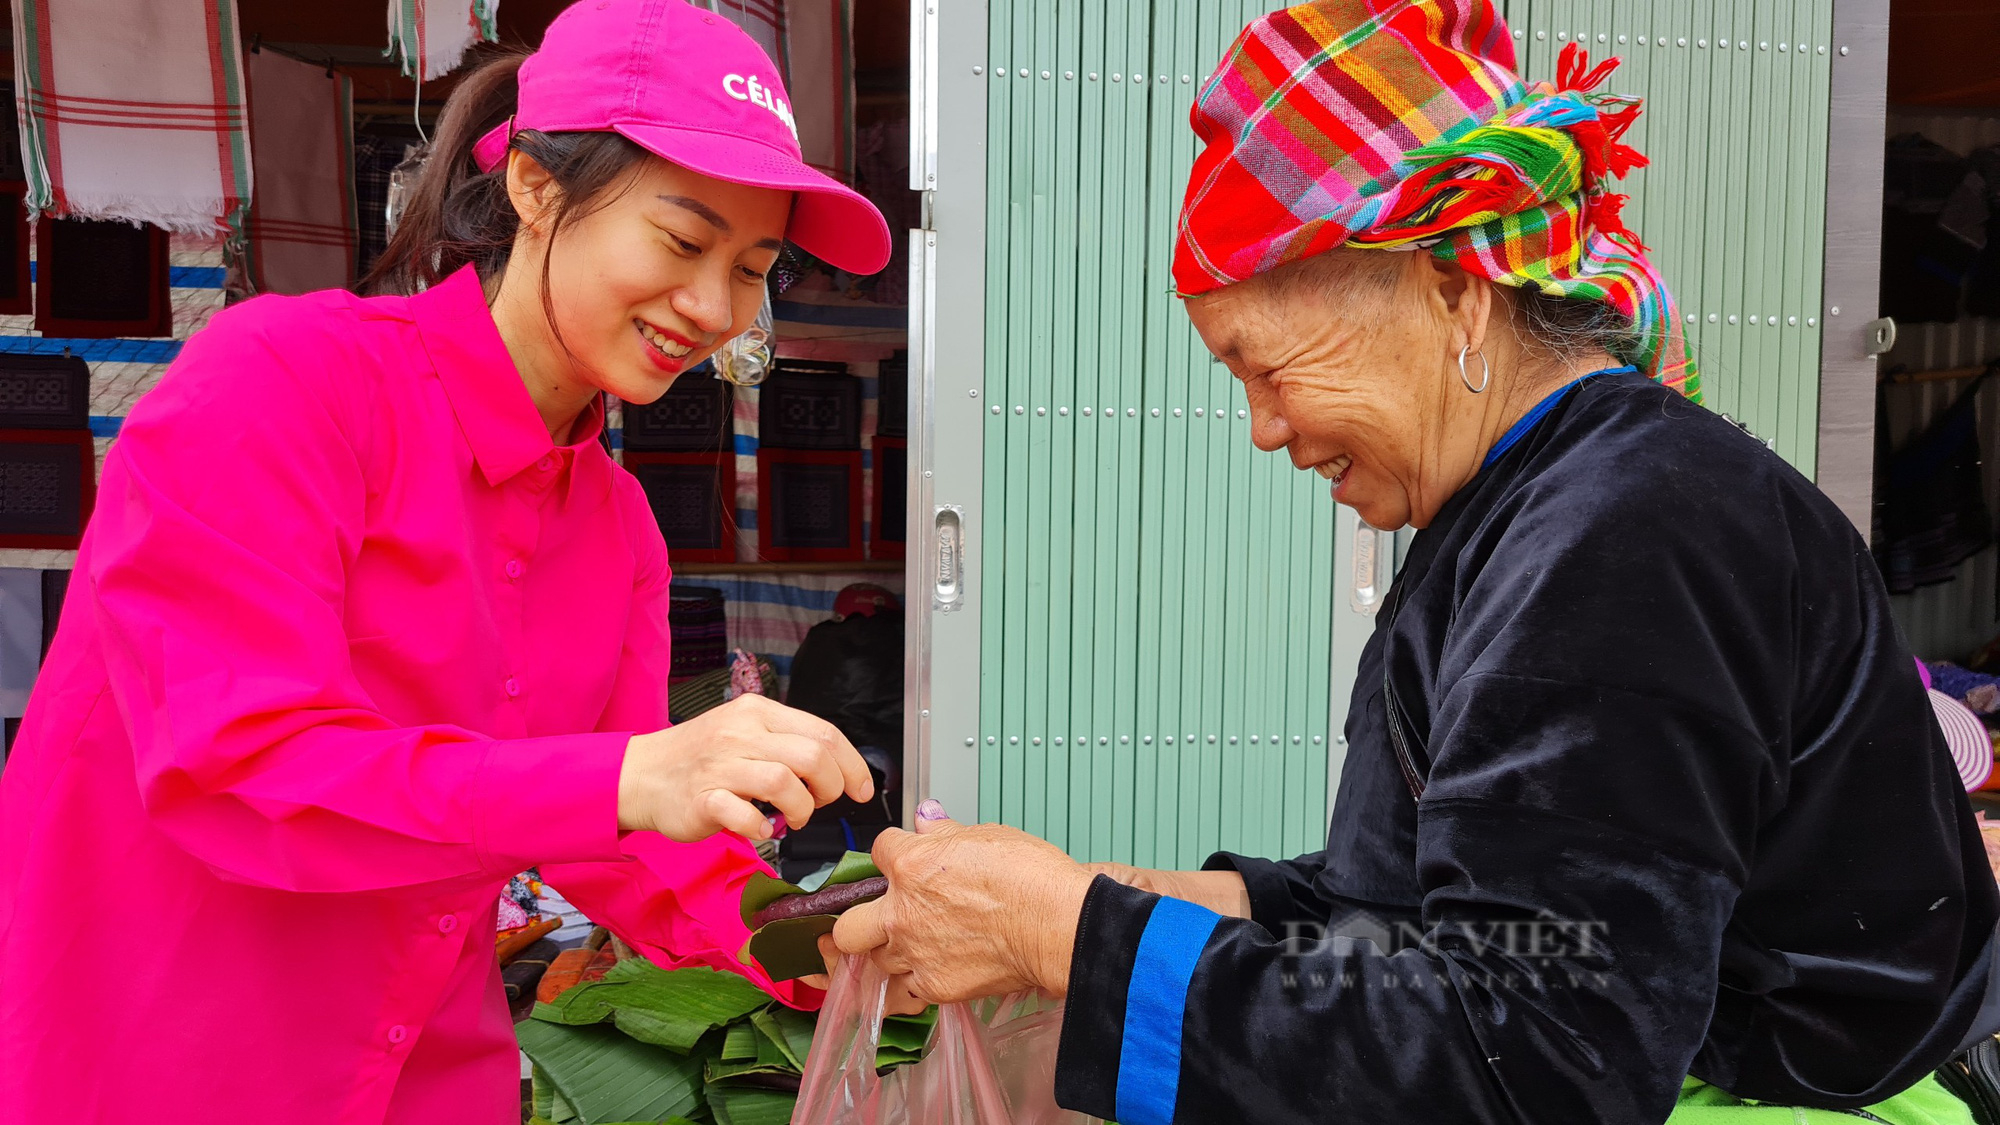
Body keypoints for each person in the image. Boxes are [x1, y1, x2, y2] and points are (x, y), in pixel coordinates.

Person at [829, 2, 2000, 1123]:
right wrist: (1167, 903)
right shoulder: (1528, 510)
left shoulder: (1629, 534)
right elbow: (1450, 900)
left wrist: (1069, 936)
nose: (1264, 429)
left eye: (1266, 366)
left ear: (1449, 290)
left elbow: (1533, 1065)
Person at [0, 2, 889, 1122]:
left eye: (753, 268)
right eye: (680, 240)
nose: (711, 307)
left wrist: (845, 935)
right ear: (532, 185)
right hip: (160, 1060)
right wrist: (625, 779)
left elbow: (629, 839)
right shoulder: (284, 381)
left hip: (421, 1064)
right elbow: (241, 765)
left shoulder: (614, 525)